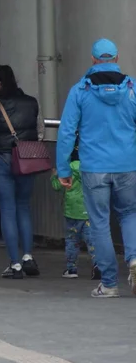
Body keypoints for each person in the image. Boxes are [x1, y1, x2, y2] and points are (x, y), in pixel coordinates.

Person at [56, 38, 136, 298]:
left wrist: (64, 169)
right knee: (129, 214)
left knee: (100, 223)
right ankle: (134, 259)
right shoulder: (132, 88)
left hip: (93, 168)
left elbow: (67, 132)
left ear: (92, 60)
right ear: (116, 58)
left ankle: (110, 284)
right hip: (127, 165)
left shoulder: (81, 90)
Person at [0, 64, 45, 280]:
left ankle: (14, 264)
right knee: (23, 207)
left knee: (7, 209)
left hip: (1, 159)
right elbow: (41, 132)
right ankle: (27, 256)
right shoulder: (32, 102)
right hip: (27, 159)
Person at [51, 145, 101, 280]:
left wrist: (54, 176)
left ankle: (71, 269)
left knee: (72, 241)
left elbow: (57, 187)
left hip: (72, 212)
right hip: (88, 211)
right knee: (92, 241)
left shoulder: (67, 169)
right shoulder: (90, 167)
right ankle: (97, 266)